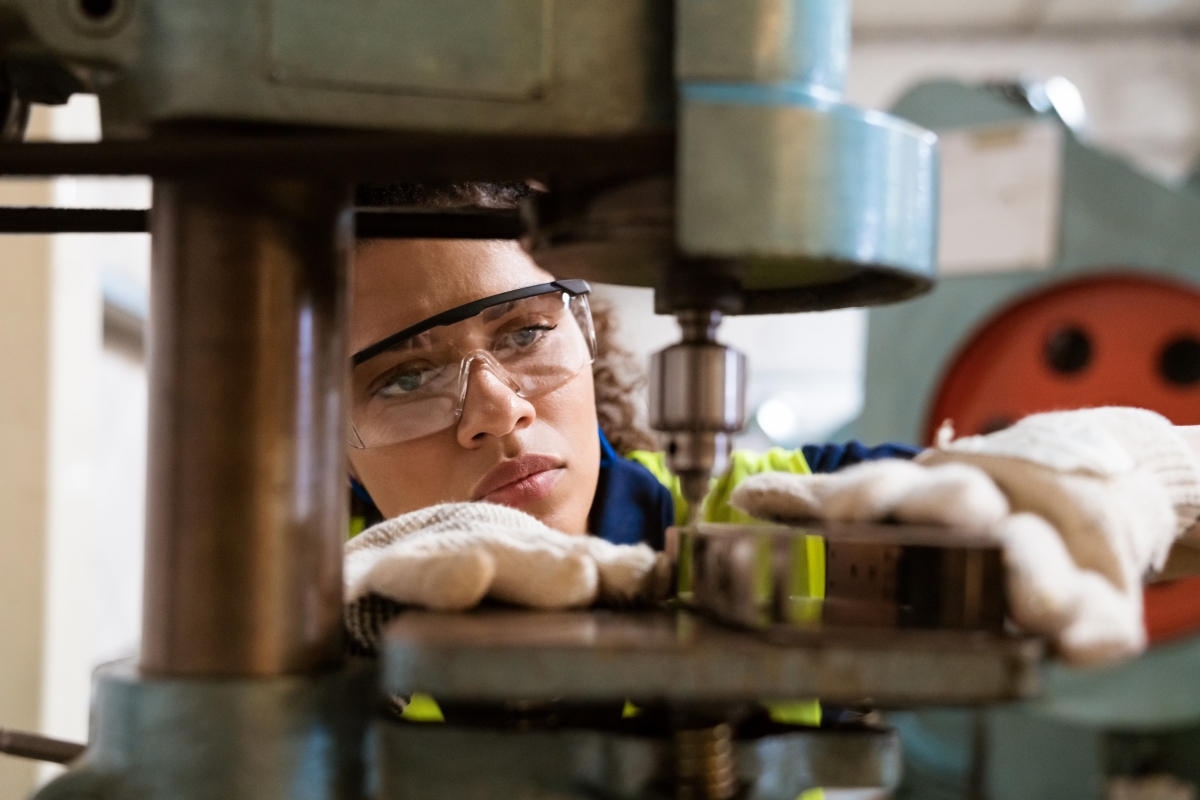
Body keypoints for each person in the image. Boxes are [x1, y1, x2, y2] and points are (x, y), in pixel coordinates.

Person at [343, 182, 1200, 671]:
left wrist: (1127, 469)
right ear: (318, 432)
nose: (497, 411)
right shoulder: (275, 609)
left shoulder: (784, 516)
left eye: (525, 332)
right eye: (404, 377)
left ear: (588, 328)